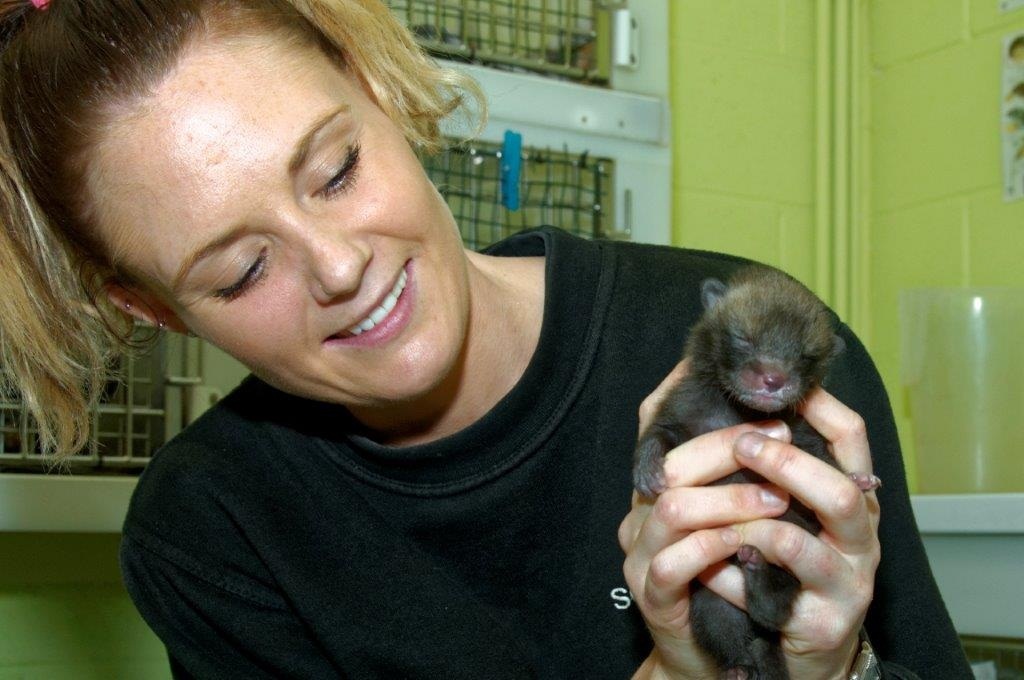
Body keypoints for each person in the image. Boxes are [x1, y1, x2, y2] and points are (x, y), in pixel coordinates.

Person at [0, 1, 972, 678]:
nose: (339, 267)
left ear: (371, 84)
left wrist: (835, 664)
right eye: (241, 271)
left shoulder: (743, 346)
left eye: (335, 170)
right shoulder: (215, 529)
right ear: (155, 309)